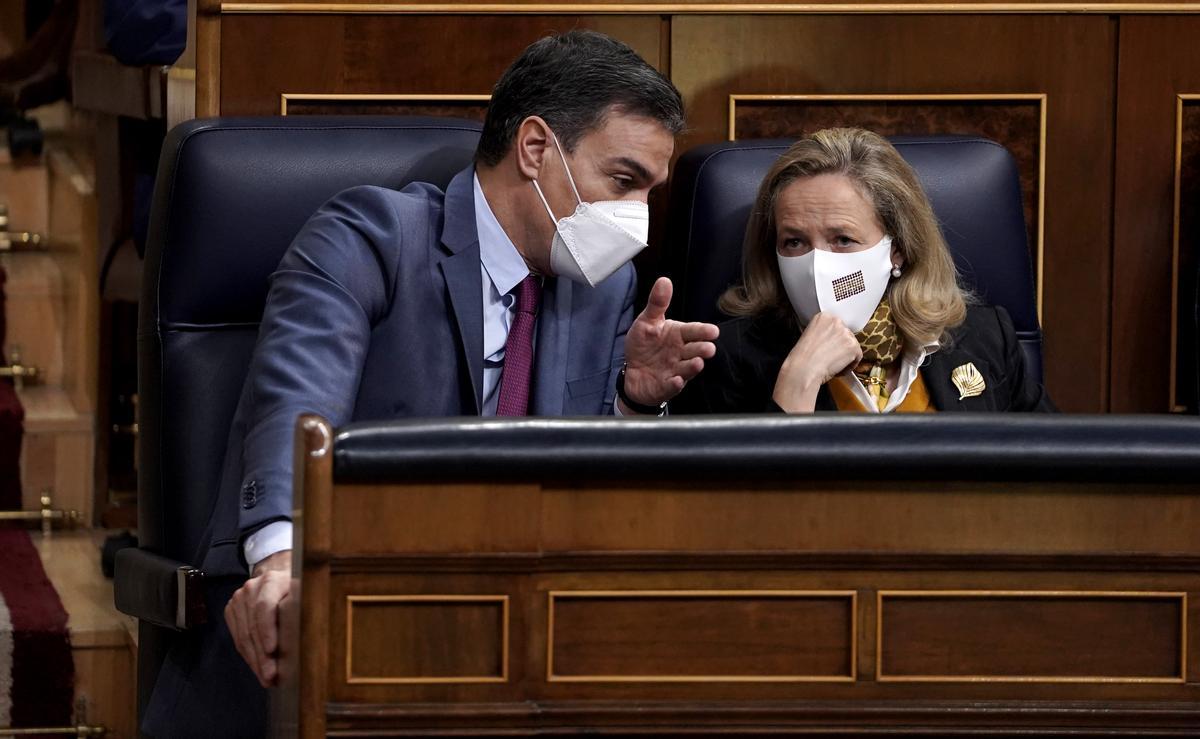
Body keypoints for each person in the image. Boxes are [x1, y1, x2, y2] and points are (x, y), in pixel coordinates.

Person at [142, 30, 719, 737]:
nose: (637, 218)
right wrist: (283, 567)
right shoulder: (368, 238)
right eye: (624, 182)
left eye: (651, 193)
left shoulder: (604, 288)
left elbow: (578, 485)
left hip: (502, 653)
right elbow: (295, 407)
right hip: (334, 633)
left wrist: (631, 400)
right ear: (536, 149)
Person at [674, 127, 1054, 415]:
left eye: (842, 239)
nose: (817, 264)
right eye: (794, 242)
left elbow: (1054, 470)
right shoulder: (728, 357)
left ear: (899, 250)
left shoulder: (986, 337)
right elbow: (737, 510)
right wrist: (798, 384)